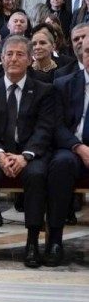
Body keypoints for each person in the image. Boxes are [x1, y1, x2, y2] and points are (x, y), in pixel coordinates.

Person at [0, 35, 55, 267]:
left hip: (30, 154)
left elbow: (44, 129)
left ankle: (32, 243)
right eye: (9, 54)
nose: (14, 59)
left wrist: (25, 156)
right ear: (2, 59)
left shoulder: (44, 90)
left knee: (37, 176)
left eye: (20, 54)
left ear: (29, 60)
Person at [47, 39, 89, 266]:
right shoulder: (64, 84)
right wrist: (80, 148)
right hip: (72, 148)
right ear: (81, 55)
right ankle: (54, 239)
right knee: (60, 165)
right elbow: (56, 126)